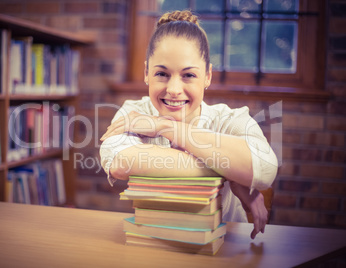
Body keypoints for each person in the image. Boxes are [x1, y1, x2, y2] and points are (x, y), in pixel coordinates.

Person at [99, 10, 278, 239]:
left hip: (225, 248)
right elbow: (120, 162)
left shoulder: (229, 120)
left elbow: (265, 168)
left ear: (207, 76)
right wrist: (232, 173)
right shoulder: (134, 112)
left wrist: (166, 127)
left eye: (189, 75)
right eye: (162, 73)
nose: (173, 89)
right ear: (146, 73)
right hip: (155, 242)